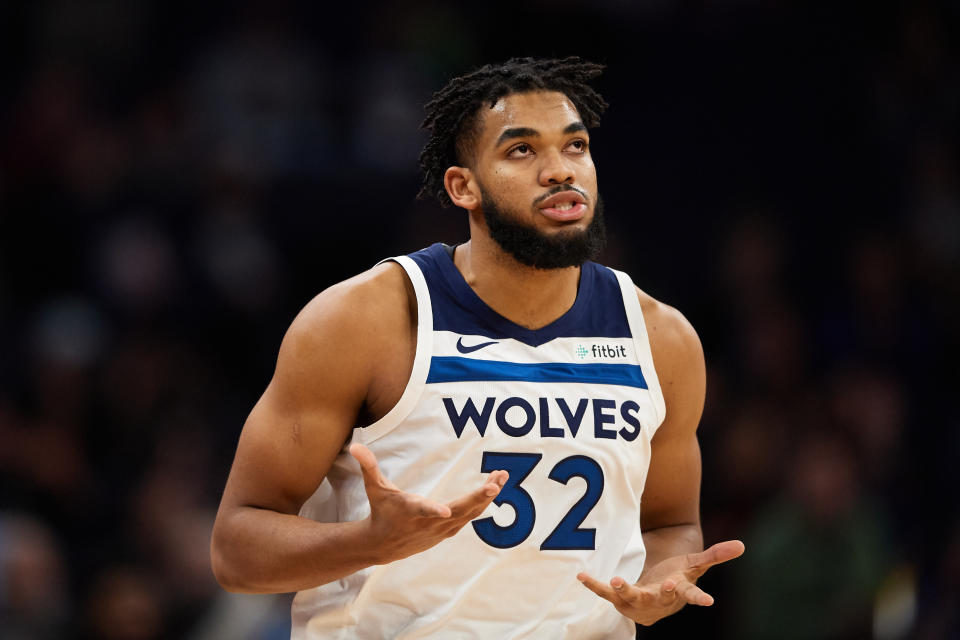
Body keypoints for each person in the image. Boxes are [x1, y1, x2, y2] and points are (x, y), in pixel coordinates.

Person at [210, 57, 745, 639]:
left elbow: (670, 524)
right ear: (463, 186)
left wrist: (661, 584)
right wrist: (367, 543)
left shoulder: (662, 339)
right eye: (522, 151)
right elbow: (237, 549)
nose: (559, 171)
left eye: (575, 147)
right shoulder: (364, 321)